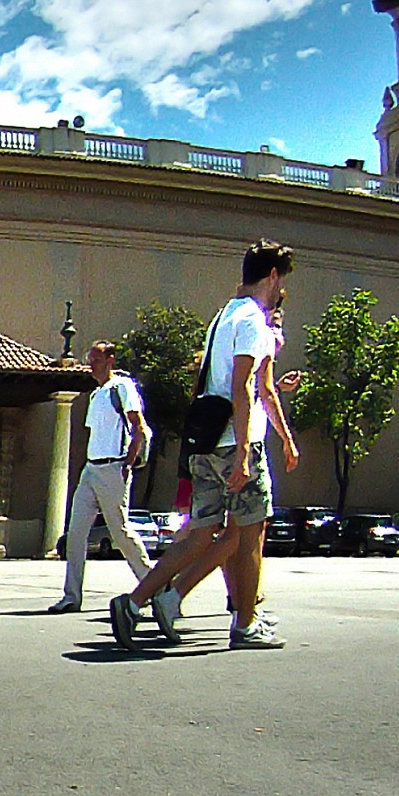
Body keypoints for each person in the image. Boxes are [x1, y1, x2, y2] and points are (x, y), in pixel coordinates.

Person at [110, 239, 299, 652]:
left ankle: (135, 601)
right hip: (235, 443)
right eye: (281, 280)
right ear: (272, 276)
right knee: (249, 536)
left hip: (206, 443)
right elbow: (244, 387)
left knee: (200, 535)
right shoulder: (253, 321)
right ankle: (245, 625)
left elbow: (209, 381)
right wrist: (246, 452)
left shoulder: (223, 317)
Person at [47, 341, 153, 614]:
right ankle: (71, 596)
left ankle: (155, 586)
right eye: (89, 360)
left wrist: (127, 463)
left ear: (109, 360)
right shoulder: (96, 395)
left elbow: (138, 426)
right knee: (76, 533)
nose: (91, 365)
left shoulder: (122, 387)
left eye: (95, 359)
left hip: (113, 468)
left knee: (120, 532)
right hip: (91, 469)